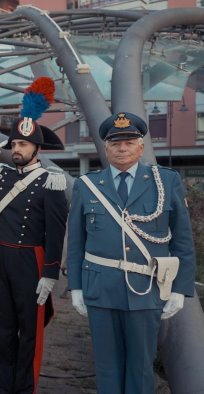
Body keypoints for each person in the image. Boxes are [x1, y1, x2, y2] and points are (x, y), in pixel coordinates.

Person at [67, 112, 195, 393]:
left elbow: (182, 240)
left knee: (140, 367)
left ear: (140, 146)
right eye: (115, 143)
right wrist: (75, 286)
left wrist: (180, 289)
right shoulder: (87, 186)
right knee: (107, 366)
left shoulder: (165, 181)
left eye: (129, 142)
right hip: (100, 288)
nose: (122, 148)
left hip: (146, 289)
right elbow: (76, 240)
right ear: (106, 148)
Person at [0, 77, 68, 393]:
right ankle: (5, 385)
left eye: (23, 144)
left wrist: (50, 273)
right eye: (13, 145)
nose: (17, 149)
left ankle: (25, 388)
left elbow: (56, 231)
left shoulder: (52, 181)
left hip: (30, 260)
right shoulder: (1, 175)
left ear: (37, 148)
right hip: (0, 259)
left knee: (30, 332)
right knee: (4, 329)